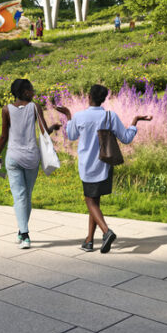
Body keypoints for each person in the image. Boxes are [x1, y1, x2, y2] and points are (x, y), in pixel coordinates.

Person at [52, 84, 148, 252]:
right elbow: (126, 138)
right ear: (104, 99)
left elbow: (72, 136)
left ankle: (107, 232)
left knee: (90, 201)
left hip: (87, 165)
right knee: (95, 202)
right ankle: (89, 241)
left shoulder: (80, 117)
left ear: (89, 97)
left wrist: (68, 116)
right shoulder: (110, 116)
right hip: (105, 165)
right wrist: (134, 123)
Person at [0, 77, 60, 249]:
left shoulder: (6, 109)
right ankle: (25, 233)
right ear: (25, 92)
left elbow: (4, 136)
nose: (34, 92)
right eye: (32, 89)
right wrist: (52, 128)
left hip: (13, 157)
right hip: (31, 158)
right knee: (26, 196)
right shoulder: (35, 107)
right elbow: (43, 132)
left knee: (20, 196)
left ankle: (22, 232)